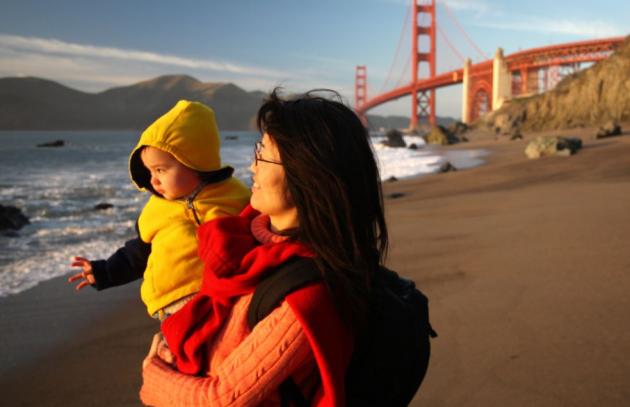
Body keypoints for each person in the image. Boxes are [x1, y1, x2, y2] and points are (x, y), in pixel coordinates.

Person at [140, 88, 389, 406]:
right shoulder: (240, 237)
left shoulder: (307, 296)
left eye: (265, 154)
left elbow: (222, 399)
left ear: (308, 177)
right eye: (257, 148)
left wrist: (154, 376)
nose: (253, 166)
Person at [68, 100, 250, 320]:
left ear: (194, 162)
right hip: (172, 303)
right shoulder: (156, 210)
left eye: (160, 170)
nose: (153, 180)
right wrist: (104, 272)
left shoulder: (234, 197)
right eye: (149, 171)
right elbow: (136, 254)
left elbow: (260, 232)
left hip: (224, 295)